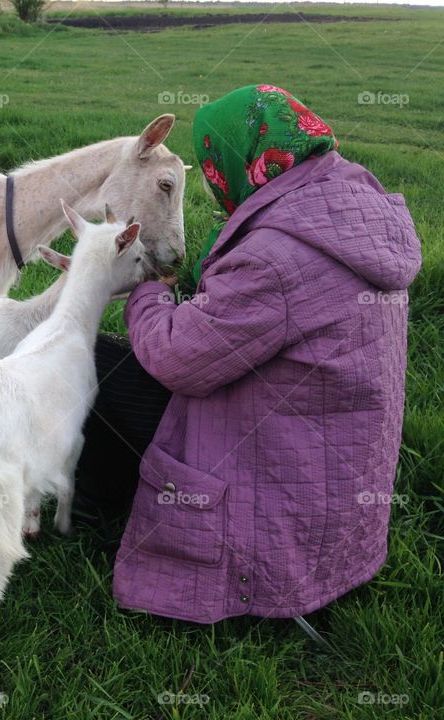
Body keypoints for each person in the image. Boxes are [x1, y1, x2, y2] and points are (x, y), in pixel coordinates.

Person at [74, 84, 422, 623]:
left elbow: (174, 357)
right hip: (335, 480)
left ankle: (95, 509)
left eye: (214, 170)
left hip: (274, 496)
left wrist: (146, 288)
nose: (216, 187)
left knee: (89, 359)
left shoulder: (274, 258)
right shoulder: (355, 212)